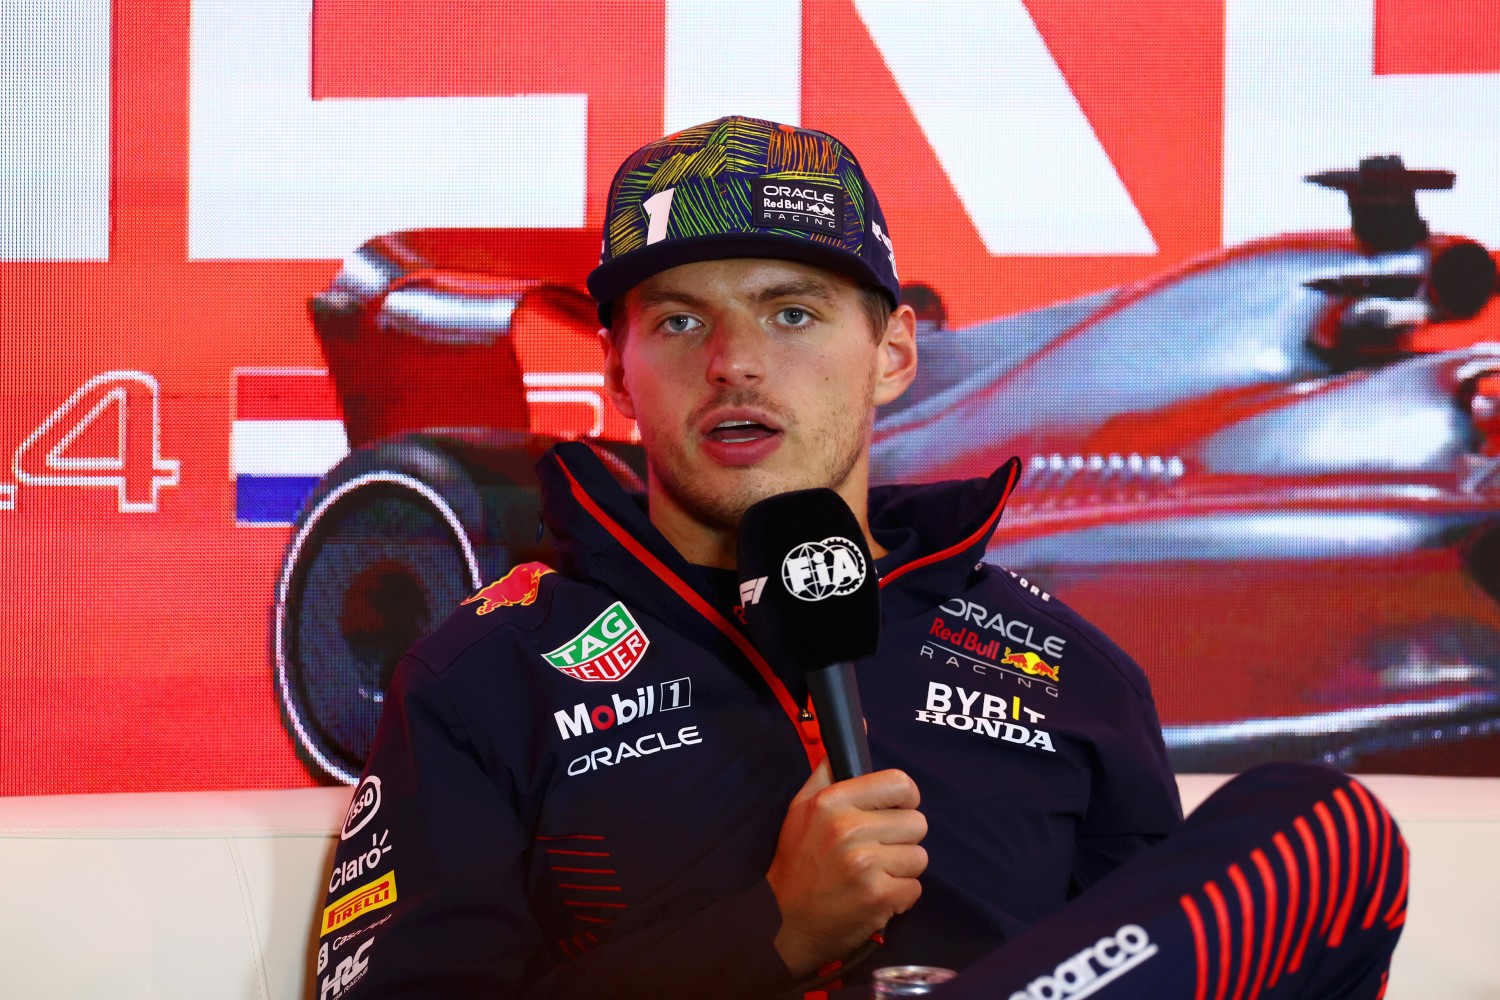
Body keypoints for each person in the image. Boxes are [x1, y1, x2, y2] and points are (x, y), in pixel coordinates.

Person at [312, 116, 1406, 999]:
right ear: (617, 369)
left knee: (1326, 827)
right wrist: (774, 934)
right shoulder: (487, 671)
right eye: (681, 324)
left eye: (792, 313)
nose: (737, 365)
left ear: (892, 355)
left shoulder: (1067, 669)